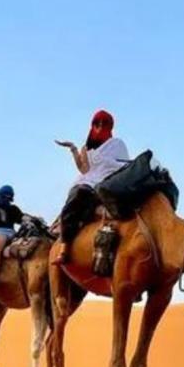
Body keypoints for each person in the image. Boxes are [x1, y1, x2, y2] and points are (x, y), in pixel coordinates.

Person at [54, 109, 129, 263]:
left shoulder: (117, 144)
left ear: (110, 126)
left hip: (108, 183)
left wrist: (108, 164)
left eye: (104, 123)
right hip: (87, 183)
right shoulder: (86, 148)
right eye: (97, 123)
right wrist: (74, 150)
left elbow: (123, 166)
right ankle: (64, 248)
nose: (100, 126)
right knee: (78, 195)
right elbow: (85, 169)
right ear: (92, 125)